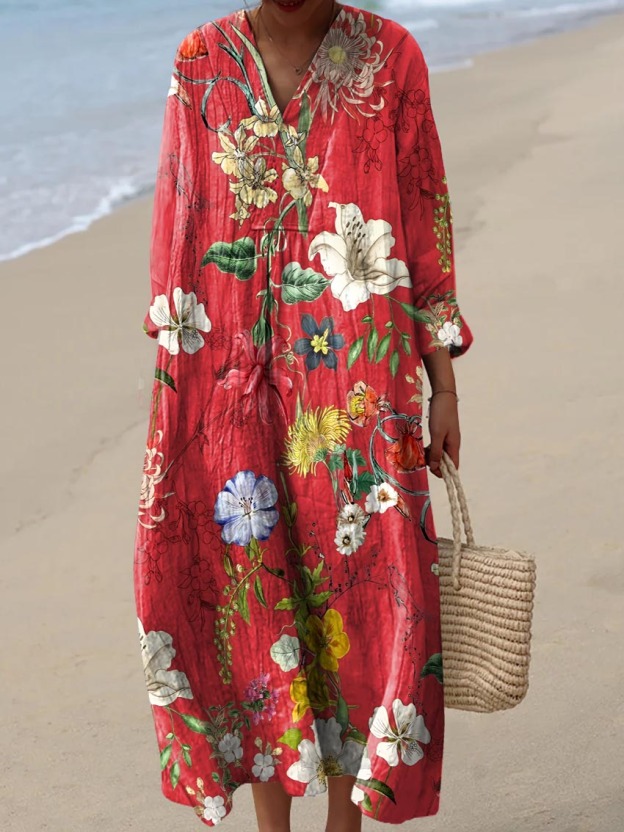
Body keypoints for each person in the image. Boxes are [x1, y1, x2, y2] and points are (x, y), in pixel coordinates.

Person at [133, 1, 474, 830]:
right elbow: (178, 230)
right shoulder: (201, 62)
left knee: (362, 596)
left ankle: (343, 825)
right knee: (252, 592)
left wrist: (444, 386)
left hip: (359, 390)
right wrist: (175, 403)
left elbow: (423, 223)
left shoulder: (390, 58)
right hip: (225, 384)